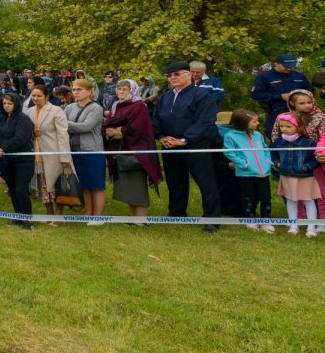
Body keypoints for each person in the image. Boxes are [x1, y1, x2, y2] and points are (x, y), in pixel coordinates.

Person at [153, 61, 223, 231]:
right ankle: (177, 213)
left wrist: (184, 139)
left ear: (188, 74)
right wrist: (161, 137)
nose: (172, 78)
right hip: (170, 147)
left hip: (195, 146)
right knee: (175, 182)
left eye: (176, 74)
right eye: (169, 75)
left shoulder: (202, 95)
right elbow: (156, 118)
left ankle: (212, 218)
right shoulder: (165, 97)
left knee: (205, 182)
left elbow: (206, 121)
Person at [102, 79, 160, 220]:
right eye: (119, 89)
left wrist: (118, 130)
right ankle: (133, 217)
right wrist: (108, 131)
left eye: (124, 89)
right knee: (127, 187)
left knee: (137, 185)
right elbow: (106, 125)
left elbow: (138, 127)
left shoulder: (139, 105)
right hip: (119, 151)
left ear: (132, 90)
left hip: (135, 152)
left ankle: (140, 219)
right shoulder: (116, 105)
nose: (120, 92)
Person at [220, 109, 275, 232]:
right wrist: (243, 164)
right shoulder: (230, 136)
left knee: (265, 197)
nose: (257, 124)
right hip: (245, 172)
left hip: (263, 172)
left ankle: (266, 221)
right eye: (254, 121)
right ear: (243, 122)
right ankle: (249, 219)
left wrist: (267, 161)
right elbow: (229, 152)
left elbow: (265, 149)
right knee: (248, 196)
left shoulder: (258, 135)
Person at [28, 84, 74, 222]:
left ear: (47, 97)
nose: (35, 98)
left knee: (57, 185)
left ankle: (59, 215)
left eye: (39, 96)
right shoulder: (29, 111)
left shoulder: (56, 111)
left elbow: (63, 135)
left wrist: (65, 156)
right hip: (37, 154)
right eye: (33, 95)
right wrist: (32, 132)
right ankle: (49, 214)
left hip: (54, 153)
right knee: (43, 185)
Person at [0, 92, 35, 229]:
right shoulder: (0, 120)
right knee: (13, 189)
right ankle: (19, 216)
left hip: (23, 161)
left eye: (10, 103)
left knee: (21, 190)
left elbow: (20, 138)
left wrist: (3, 147)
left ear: (16, 104)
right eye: (4, 103)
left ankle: (28, 220)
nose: (6, 106)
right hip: (6, 161)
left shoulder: (24, 119)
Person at [271, 113, 320, 236]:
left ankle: (311, 227)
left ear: (298, 127)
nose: (284, 129)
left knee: (309, 201)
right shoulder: (277, 142)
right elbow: (273, 155)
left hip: (305, 177)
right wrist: (277, 163)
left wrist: (306, 167)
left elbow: (316, 159)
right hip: (287, 176)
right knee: (290, 201)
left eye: (288, 126)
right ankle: (293, 225)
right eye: (282, 126)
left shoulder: (308, 143)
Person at [65, 79, 106, 221]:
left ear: (89, 91)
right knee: (84, 184)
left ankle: (98, 216)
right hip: (74, 150)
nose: (76, 92)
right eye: (74, 89)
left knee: (96, 185)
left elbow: (86, 126)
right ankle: (88, 212)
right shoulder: (69, 107)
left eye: (79, 89)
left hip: (92, 150)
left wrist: (65, 123)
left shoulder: (96, 108)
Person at [250, 54, 311, 140]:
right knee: (275, 137)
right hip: (277, 111)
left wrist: (301, 98)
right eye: (286, 66)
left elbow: (310, 91)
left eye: (291, 66)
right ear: (276, 64)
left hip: (300, 112)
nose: (289, 68)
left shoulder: (298, 76)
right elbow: (256, 94)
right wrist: (280, 96)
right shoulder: (265, 77)